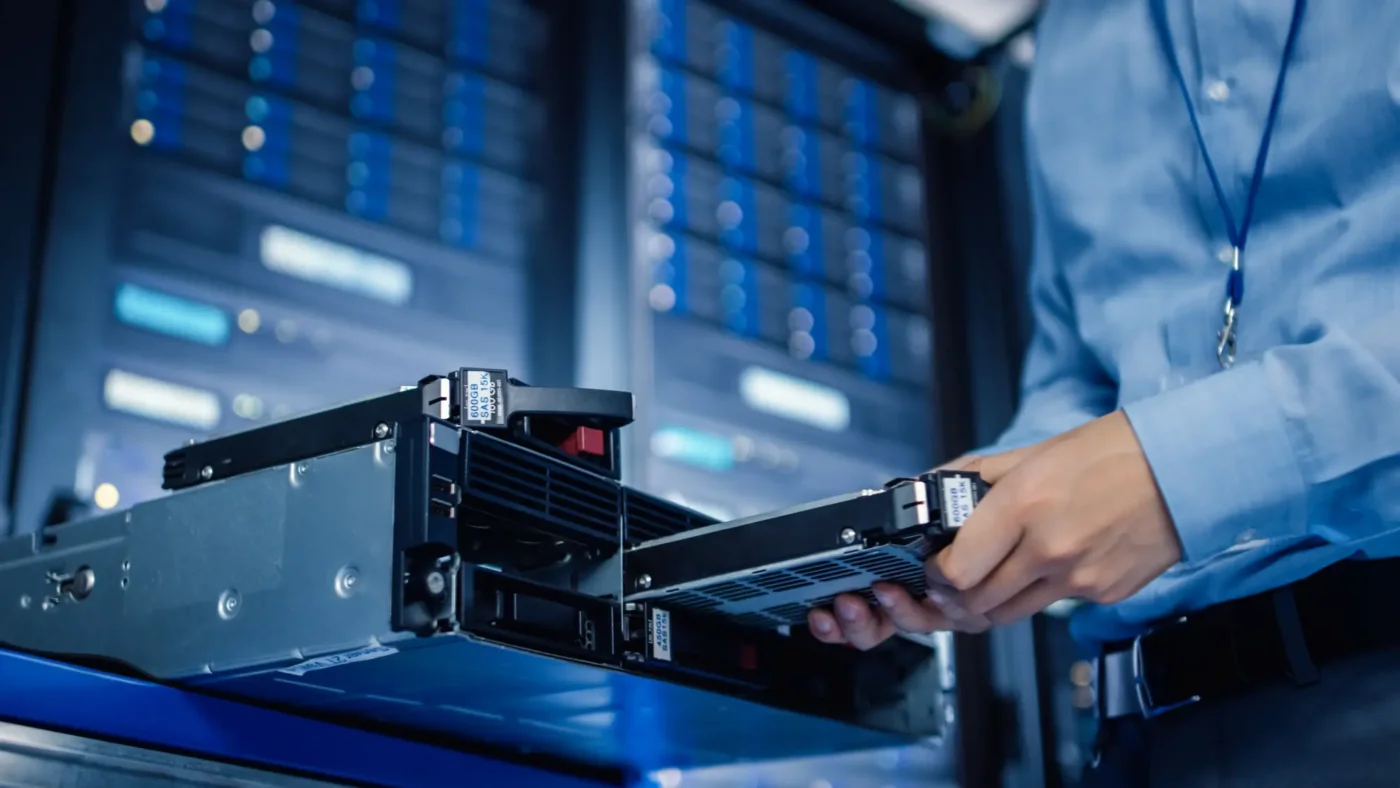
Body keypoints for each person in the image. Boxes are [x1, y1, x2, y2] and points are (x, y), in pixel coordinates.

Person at [808, 1, 1400, 785]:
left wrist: (1177, 473)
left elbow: (1146, 461)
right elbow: (1081, 375)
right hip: (1144, 734)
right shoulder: (1071, 36)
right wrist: (993, 532)